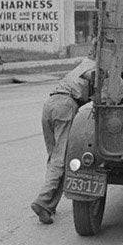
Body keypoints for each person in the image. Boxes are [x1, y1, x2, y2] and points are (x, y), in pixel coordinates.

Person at [30, 56, 96, 225]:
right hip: (66, 105)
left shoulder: (84, 64)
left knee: (54, 157)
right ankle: (43, 201)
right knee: (62, 158)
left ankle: (48, 205)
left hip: (50, 103)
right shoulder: (95, 69)